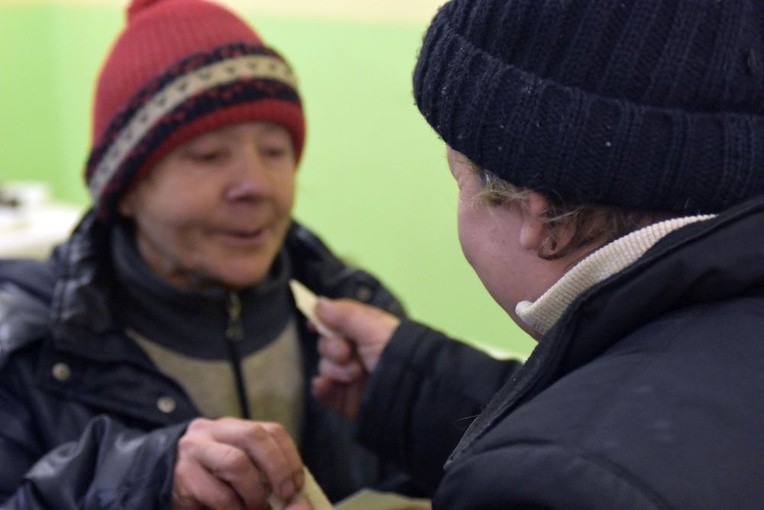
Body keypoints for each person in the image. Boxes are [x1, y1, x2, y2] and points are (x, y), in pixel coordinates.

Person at [311, 0, 764, 508]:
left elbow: (577, 461)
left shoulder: (553, 486)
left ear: (542, 219)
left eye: (457, 179)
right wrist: (413, 379)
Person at [0, 0, 406, 507]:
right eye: (209, 156)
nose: (256, 184)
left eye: (275, 151)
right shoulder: (28, 351)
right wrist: (142, 480)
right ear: (125, 191)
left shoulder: (354, 321)